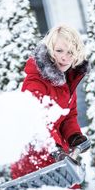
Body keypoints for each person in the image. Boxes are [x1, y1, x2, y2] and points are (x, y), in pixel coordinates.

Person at [11, 24, 89, 181]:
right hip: (36, 159)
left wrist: (74, 136)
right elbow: (35, 119)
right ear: (49, 50)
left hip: (59, 157)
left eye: (70, 52)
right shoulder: (36, 81)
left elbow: (68, 116)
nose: (64, 57)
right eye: (59, 50)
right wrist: (54, 146)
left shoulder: (67, 80)